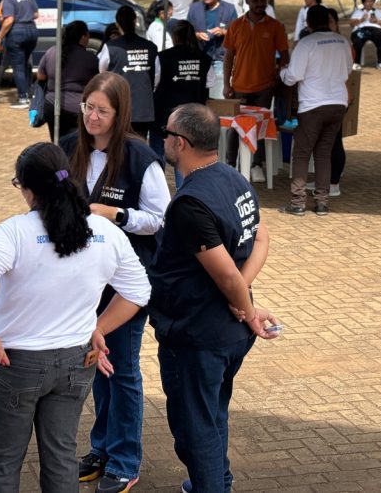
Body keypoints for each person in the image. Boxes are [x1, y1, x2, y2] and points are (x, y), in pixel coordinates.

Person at [0, 142, 152, 493]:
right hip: (77, 361)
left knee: (3, 461)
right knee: (61, 456)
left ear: (29, 189)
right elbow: (138, 292)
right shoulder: (105, 231)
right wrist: (99, 327)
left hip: (17, 363)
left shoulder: (14, 232)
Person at [149, 103, 280, 493]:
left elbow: (223, 272)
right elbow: (261, 238)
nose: (164, 138)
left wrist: (243, 304)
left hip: (197, 334)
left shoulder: (190, 205)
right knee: (213, 413)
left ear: (182, 143)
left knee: (195, 428)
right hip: (229, 332)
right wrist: (245, 303)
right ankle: (218, 481)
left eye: (167, 133)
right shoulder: (234, 179)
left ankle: (212, 486)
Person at [60, 72, 169, 493]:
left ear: (120, 113)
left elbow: (160, 219)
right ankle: (101, 449)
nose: (92, 116)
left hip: (126, 283)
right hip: (81, 279)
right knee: (95, 365)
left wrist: (116, 215)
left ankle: (125, 459)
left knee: (121, 369)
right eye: (88, 107)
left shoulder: (141, 158)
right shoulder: (70, 148)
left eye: (102, 110)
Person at [278, 6, 351, 216]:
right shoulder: (342, 41)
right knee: (323, 153)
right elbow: (346, 72)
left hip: (313, 105)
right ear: (328, 21)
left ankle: (298, 202)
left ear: (308, 22)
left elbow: (293, 76)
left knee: (301, 153)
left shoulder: (306, 43)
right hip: (338, 103)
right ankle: (321, 202)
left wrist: (281, 72)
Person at [222, 0, 289, 182]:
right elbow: (228, 56)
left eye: (263, 0)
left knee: (259, 127)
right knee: (235, 127)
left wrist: (277, 74)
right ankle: (230, 164)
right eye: (256, 0)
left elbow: (285, 55)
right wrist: (227, 84)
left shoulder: (275, 26)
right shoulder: (236, 25)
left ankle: (256, 164)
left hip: (264, 88)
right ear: (248, 1)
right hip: (239, 87)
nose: (260, 4)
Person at [149, 20, 214, 178]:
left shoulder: (163, 57)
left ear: (175, 37)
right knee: (185, 161)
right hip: (193, 119)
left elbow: (154, 84)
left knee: (157, 162)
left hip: (163, 118)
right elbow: (209, 83)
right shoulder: (204, 59)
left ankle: (158, 196)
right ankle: (184, 196)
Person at [99, 6, 160, 138]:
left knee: (118, 148)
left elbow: (102, 74)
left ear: (117, 24)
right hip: (143, 107)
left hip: (118, 107)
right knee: (140, 146)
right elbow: (156, 77)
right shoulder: (150, 47)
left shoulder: (110, 47)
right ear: (134, 21)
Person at [36, 20, 99, 141]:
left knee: (58, 143)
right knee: (77, 145)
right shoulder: (90, 58)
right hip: (78, 108)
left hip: (52, 105)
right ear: (83, 37)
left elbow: (40, 77)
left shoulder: (51, 52)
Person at [0, 0, 39, 108]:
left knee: (18, 67)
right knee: (25, 64)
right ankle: (29, 92)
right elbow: (36, 14)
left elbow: (9, 20)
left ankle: (22, 98)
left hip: (17, 32)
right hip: (32, 31)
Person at [187, 0, 238, 67]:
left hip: (220, 58)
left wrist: (223, 32)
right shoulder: (194, 8)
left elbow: (237, 33)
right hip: (199, 57)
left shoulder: (229, 9)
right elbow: (186, 31)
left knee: (219, 80)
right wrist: (197, 35)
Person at [349, 0, 381, 71]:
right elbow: (351, 24)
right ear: (363, 2)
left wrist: (376, 21)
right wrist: (361, 20)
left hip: (375, 30)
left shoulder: (379, 12)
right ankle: (356, 63)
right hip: (361, 30)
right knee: (357, 39)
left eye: (371, 1)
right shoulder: (358, 12)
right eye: (367, 1)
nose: (369, 3)